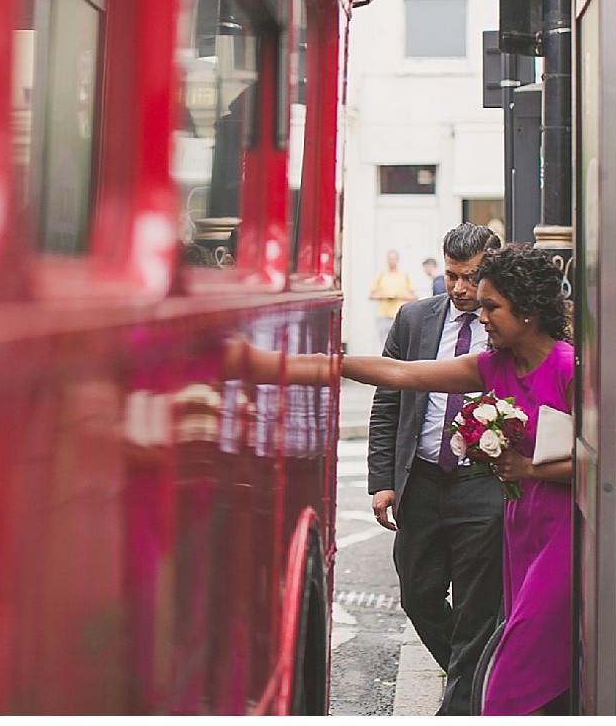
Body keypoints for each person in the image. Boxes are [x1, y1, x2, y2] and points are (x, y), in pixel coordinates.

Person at [228, 243, 573, 715]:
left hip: (560, 536)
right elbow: (401, 373)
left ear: (529, 312)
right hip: (522, 528)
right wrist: (274, 366)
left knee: (515, 665)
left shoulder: (571, 369)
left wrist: (530, 469)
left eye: (492, 306)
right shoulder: (495, 367)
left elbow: (608, 462)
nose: (481, 314)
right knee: (521, 655)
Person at [368, 223, 502, 715]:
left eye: (470, 277)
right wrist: (383, 481)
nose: (460, 288)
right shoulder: (413, 319)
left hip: (481, 484)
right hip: (420, 483)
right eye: (451, 276)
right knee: (419, 596)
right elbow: (387, 404)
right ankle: (478, 681)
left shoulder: (506, 324)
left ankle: (462, 706)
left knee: (476, 607)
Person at [368, 249, 416, 344]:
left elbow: (413, 297)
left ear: (397, 260)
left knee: (400, 344)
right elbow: (371, 295)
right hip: (383, 316)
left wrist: (398, 296)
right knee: (384, 344)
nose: (392, 261)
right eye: (390, 259)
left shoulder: (404, 276)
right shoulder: (382, 276)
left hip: (398, 316)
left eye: (393, 259)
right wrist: (386, 296)